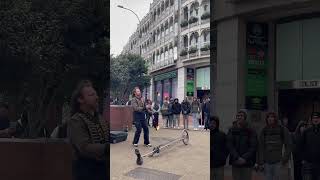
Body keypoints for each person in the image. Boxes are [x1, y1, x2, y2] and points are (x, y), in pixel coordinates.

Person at [67, 80, 108, 180]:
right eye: (91, 95)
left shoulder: (100, 118)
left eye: (96, 95)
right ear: (80, 99)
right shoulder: (76, 121)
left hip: (103, 169)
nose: (96, 98)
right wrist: (106, 148)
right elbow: (84, 147)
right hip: (86, 172)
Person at [257, 112, 292, 180]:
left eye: (272, 117)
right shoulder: (264, 130)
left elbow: (289, 145)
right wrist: (261, 162)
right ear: (266, 119)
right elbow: (260, 147)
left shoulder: (282, 129)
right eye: (268, 117)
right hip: (266, 162)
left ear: (275, 118)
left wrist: (284, 159)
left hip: (278, 162)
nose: (270, 119)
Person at [227, 110, 258, 180]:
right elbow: (229, 145)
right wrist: (237, 157)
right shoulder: (231, 130)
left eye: (241, 116)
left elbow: (253, 146)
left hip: (247, 162)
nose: (239, 117)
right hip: (235, 161)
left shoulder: (251, 130)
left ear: (245, 118)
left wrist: (244, 158)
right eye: (238, 116)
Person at [297, 112, 320, 180]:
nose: (315, 120)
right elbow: (300, 146)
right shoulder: (306, 132)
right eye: (314, 118)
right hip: (308, 163)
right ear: (311, 120)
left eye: (317, 118)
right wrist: (303, 159)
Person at [211, 116, 229, 180]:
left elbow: (227, 148)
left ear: (217, 124)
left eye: (213, 123)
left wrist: (223, 158)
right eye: (210, 123)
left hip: (219, 165)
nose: (212, 125)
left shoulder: (222, 135)